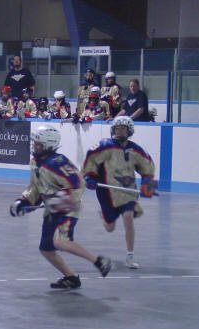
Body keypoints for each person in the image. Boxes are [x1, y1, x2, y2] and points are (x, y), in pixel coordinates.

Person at [10, 125, 112, 289]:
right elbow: (35, 187)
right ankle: (71, 278)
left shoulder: (58, 162)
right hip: (51, 210)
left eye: (38, 143)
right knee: (46, 249)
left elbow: (78, 184)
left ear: (48, 145)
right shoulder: (35, 162)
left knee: (61, 242)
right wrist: (23, 200)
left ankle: (100, 261)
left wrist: (63, 198)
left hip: (67, 209)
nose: (34, 146)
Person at [82, 116, 156, 269]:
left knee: (128, 217)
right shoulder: (104, 146)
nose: (119, 131)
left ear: (129, 131)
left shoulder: (136, 149)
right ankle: (104, 215)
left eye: (123, 128)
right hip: (106, 192)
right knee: (110, 228)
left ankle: (130, 256)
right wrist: (89, 177)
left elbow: (147, 165)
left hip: (127, 191)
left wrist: (147, 181)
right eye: (117, 128)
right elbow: (91, 161)